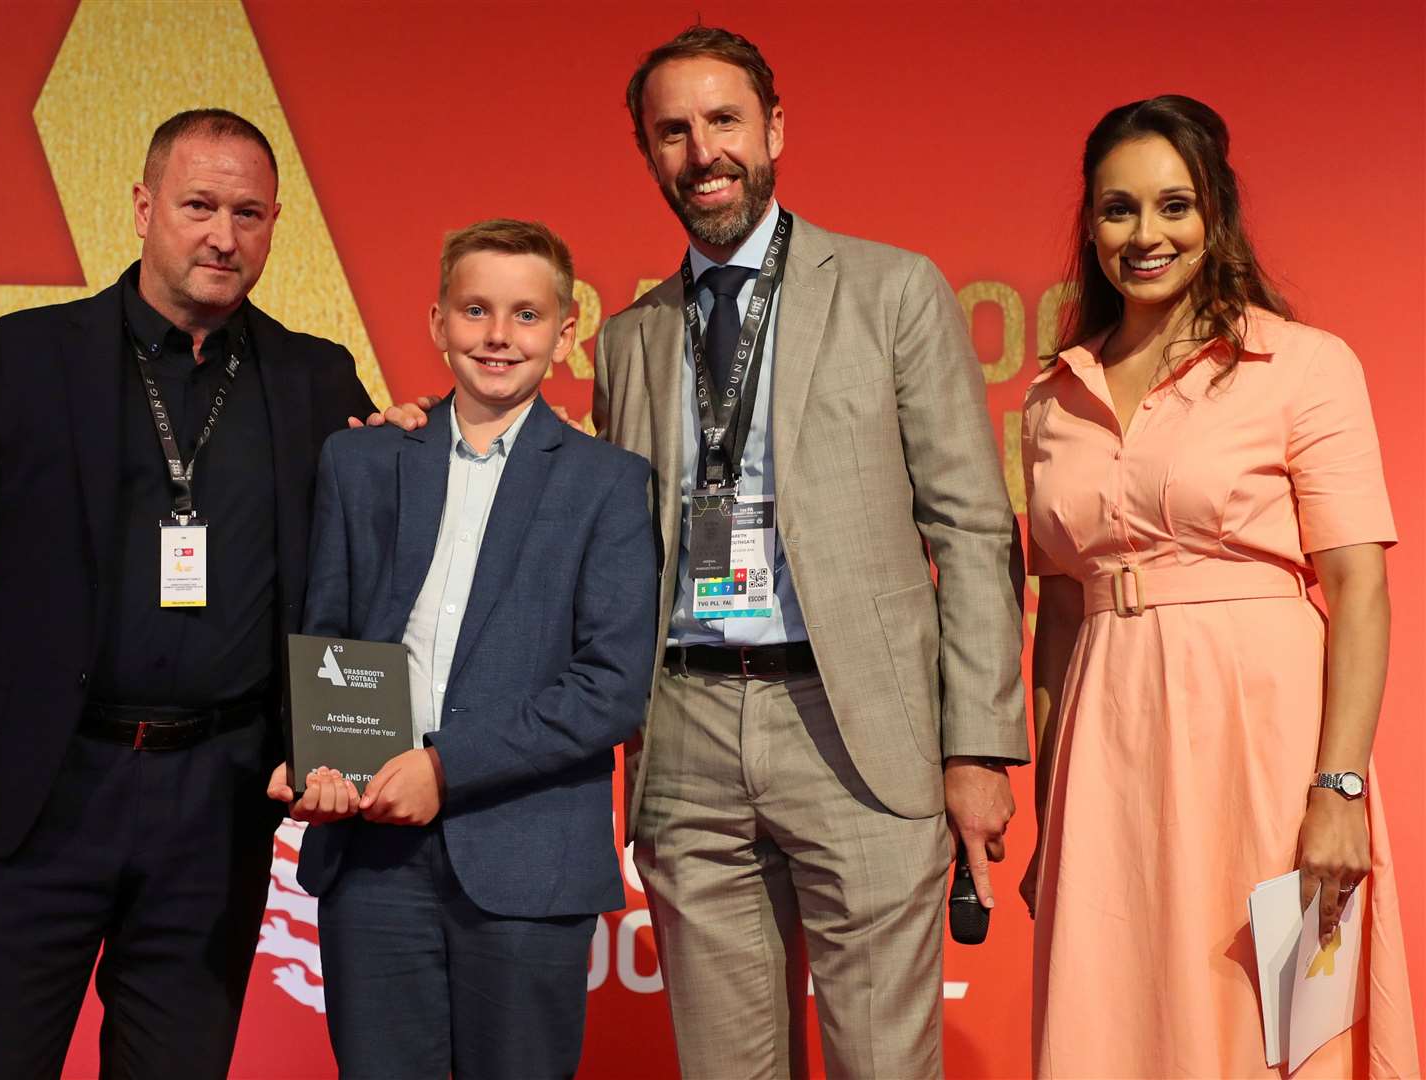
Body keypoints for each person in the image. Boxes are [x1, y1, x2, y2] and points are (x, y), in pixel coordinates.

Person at [384, 28, 1028, 1079]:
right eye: (671, 131)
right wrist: (435, 430)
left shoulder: (890, 290)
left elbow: (969, 525)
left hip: (855, 731)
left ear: (772, 128)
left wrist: (978, 747)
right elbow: (577, 517)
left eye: (722, 120)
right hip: (680, 737)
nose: (701, 152)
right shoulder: (633, 334)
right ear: (647, 153)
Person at [0, 108, 375, 1078]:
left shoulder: (316, 380)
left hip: (220, 801)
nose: (222, 236)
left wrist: (408, 455)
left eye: (248, 213)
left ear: (275, 225)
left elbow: (365, 575)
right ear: (145, 207)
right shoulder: (23, 357)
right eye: (197, 206)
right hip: (37, 789)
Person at [1019, 95, 1420, 1077]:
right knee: (1117, 1017)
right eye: (1118, 210)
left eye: (1172, 206)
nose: (1144, 235)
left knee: (1282, 1024)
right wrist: (1047, 815)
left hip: (1263, 740)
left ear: (1215, 215)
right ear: (1089, 224)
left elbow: (1356, 592)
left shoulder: (1301, 365)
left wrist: (1337, 787)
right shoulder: (1049, 397)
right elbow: (1060, 613)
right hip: (1105, 751)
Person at [270, 219, 656, 1080]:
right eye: (475, 309)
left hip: (528, 862)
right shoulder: (360, 460)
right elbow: (323, 639)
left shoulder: (610, 483)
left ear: (566, 336)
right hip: (370, 858)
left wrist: (443, 768)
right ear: (437, 322)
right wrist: (316, 759)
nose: (497, 336)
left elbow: (610, 688)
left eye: (525, 316)